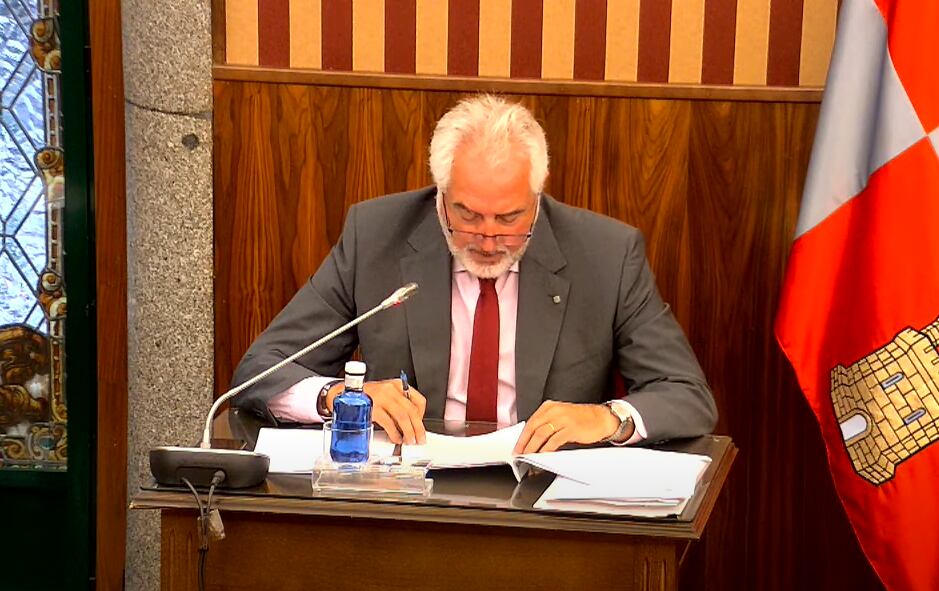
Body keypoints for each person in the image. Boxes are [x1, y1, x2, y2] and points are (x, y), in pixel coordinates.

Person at [232, 95, 717, 453]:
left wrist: (607, 419)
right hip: (408, 498)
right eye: (467, 215)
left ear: (538, 196)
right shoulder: (376, 236)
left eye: (509, 219)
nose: (487, 240)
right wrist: (341, 398)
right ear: (440, 195)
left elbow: (686, 395)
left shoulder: (606, 254)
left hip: (545, 505)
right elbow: (260, 371)